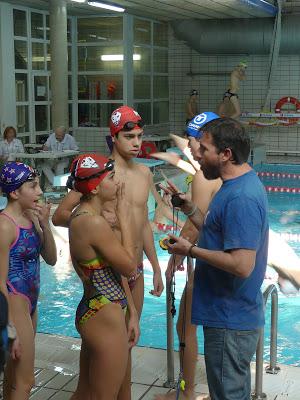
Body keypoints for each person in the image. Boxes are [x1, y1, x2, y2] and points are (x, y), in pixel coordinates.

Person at [52, 105, 164, 400]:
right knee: (111, 347)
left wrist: (155, 266)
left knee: (126, 343)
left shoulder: (143, 173)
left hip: (134, 268)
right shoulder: (100, 173)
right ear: (114, 137)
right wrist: (102, 221)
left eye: (140, 136)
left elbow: (141, 225)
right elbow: (61, 216)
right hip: (109, 270)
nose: (137, 143)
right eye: (130, 137)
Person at [163, 117, 269, 400]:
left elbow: (242, 265)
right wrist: (190, 209)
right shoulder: (234, 185)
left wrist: (190, 250)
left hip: (230, 320)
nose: (196, 153)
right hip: (227, 314)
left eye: (204, 148)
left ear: (226, 154)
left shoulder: (241, 198)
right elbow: (218, 233)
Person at [155, 112, 222, 400]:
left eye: (192, 141)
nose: (189, 147)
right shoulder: (227, 174)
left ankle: (188, 392)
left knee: (186, 325)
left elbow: (198, 223)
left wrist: (177, 255)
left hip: (210, 262)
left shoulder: (204, 178)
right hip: (218, 261)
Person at [67, 153, 139, 399]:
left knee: (85, 392)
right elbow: (129, 267)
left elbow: (111, 272)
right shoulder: (93, 224)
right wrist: (124, 215)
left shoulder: (82, 216)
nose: (117, 182)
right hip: (104, 316)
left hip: (97, 309)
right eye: (112, 177)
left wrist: (131, 312)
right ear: (96, 188)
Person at [0, 161, 57, 399]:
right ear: (14, 192)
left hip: (30, 304)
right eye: (33, 186)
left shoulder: (31, 217)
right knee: (26, 381)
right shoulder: (4, 226)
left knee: (13, 376)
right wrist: (9, 326)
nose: (40, 191)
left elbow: (51, 259)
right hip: (14, 303)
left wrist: (45, 223)